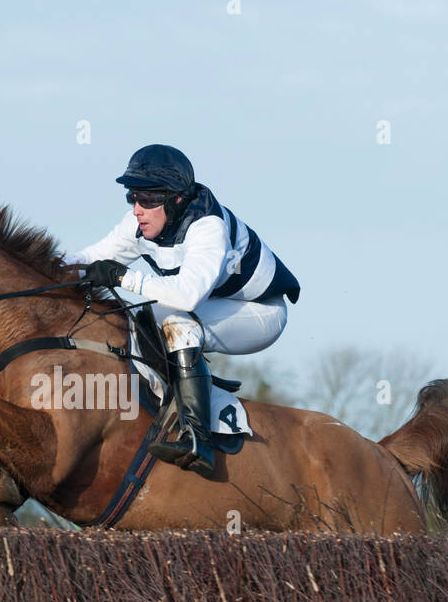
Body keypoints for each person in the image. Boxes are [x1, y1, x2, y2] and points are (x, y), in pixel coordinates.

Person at [62, 144, 300, 479]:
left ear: (175, 200)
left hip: (260, 312)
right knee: (141, 316)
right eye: (132, 198)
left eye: (147, 201)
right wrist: (33, 265)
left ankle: (197, 441)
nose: (136, 210)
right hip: (216, 304)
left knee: (176, 320)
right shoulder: (141, 224)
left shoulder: (207, 227)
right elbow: (90, 257)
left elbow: (187, 297)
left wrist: (121, 276)